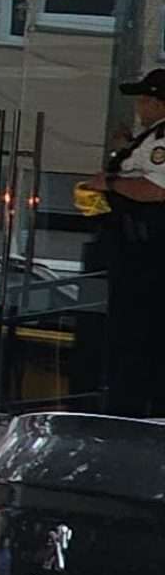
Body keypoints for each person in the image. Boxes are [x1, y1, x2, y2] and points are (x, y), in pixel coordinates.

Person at [100, 68, 165, 418]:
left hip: (147, 251)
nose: (140, 106)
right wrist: (125, 148)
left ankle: (133, 409)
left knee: (140, 332)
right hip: (133, 248)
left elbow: (156, 189)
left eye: (145, 99)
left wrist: (109, 185)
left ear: (159, 102)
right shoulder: (151, 136)